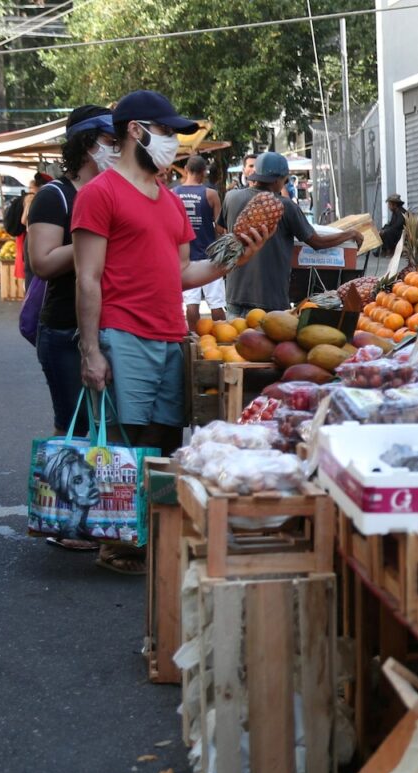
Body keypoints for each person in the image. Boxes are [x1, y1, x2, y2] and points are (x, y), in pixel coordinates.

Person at [71, 90, 268, 574]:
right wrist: (91, 350)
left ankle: (151, 540)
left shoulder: (168, 199)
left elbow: (182, 273)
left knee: (161, 440)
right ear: (136, 131)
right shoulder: (100, 194)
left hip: (169, 335)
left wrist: (234, 256)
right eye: (166, 132)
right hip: (123, 334)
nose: (173, 143)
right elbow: (87, 277)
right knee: (127, 441)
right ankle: (119, 545)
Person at [26, 107, 116, 552]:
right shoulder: (56, 196)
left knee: (100, 425)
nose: (116, 148)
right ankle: (64, 523)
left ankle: (89, 514)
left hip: (104, 325)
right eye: (109, 140)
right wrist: (89, 235)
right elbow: (40, 263)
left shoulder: (113, 191)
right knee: (74, 424)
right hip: (62, 329)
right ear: (87, 144)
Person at [221, 151, 361, 316]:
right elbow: (317, 242)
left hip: (234, 294)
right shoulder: (285, 206)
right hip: (269, 300)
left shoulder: (231, 197)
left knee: (232, 340)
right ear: (279, 180)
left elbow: (221, 229)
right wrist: (350, 234)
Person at [174, 156, 227, 330]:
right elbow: (220, 227)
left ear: (186, 170)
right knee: (216, 303)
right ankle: (221, 338)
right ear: (204, 172)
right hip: (210, 254)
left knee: (191, 303)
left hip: (185, 256)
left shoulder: (174, 194)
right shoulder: (210, 194)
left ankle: (194, 339)